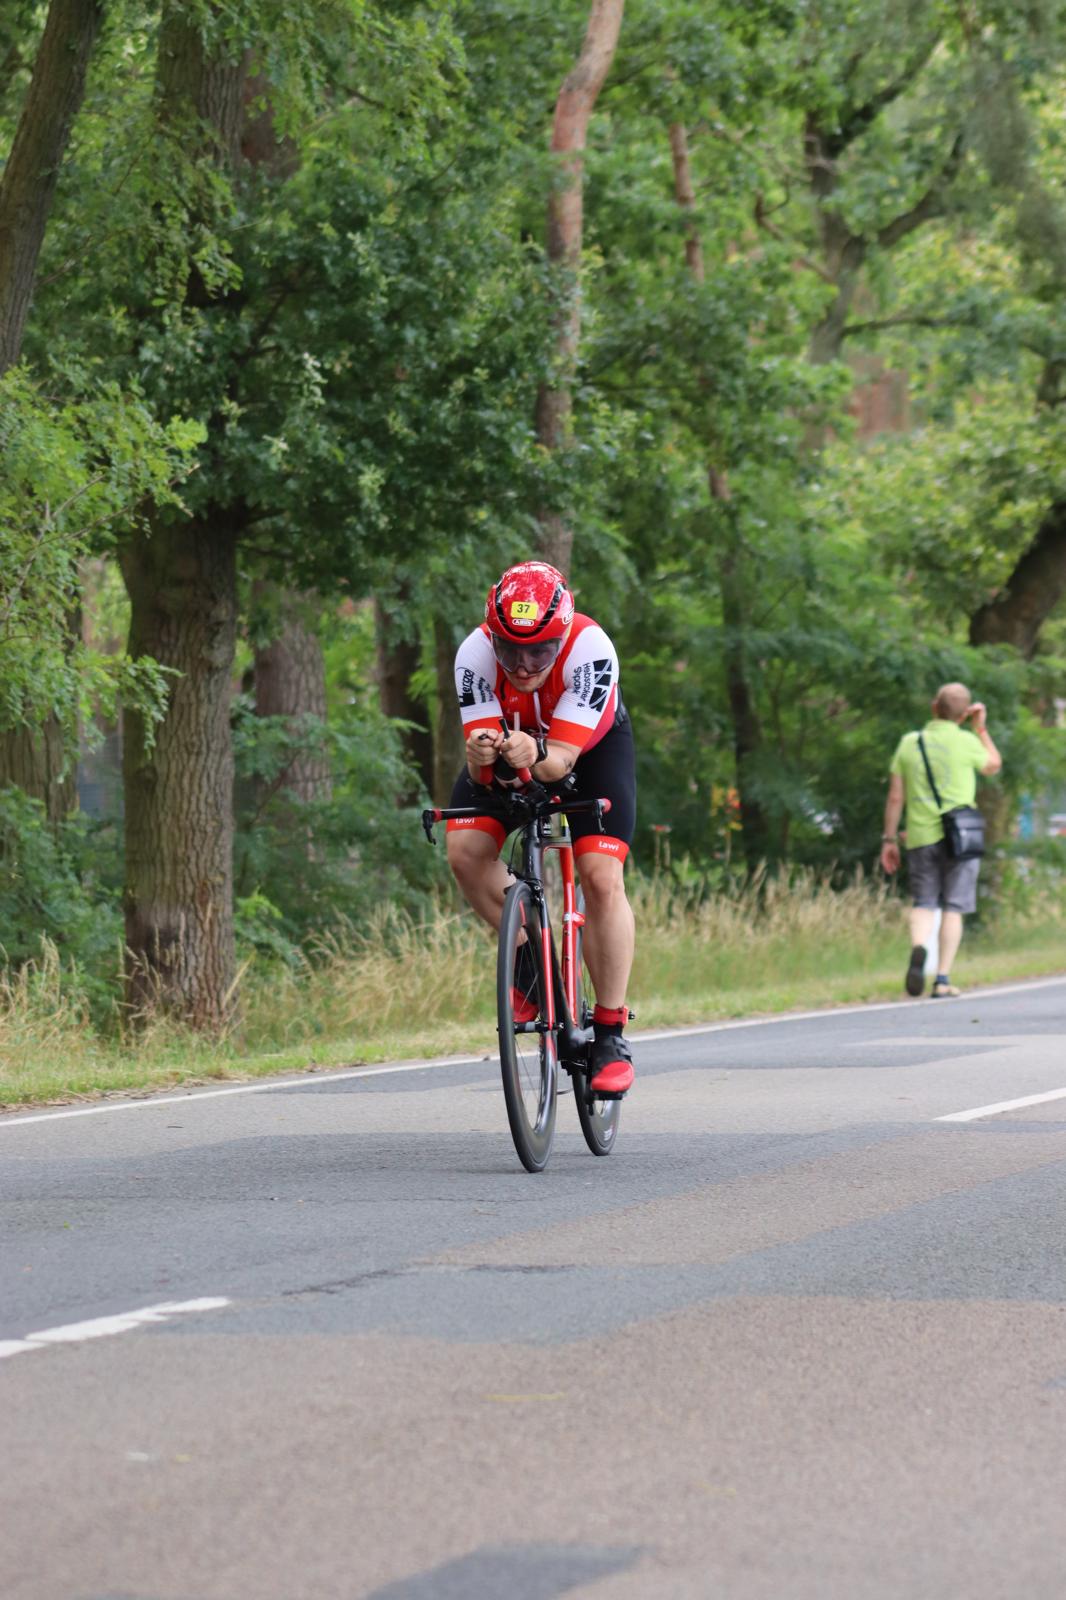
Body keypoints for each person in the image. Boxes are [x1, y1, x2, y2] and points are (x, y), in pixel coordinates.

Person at [446, 561, 636, 1094]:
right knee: (463, 851)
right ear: (492, 636)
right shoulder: (474, 654)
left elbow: (560, 764)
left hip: (588, 753)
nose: (525, 665)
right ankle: (531, 961)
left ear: (563, 636)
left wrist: (535, 751)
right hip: (516, 748)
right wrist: (482, 755)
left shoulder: (591, 649)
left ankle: (609, 1031)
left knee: (601, 877)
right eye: (510, 650)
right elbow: (484, 772)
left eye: (540, 651)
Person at [880, 682, 1002, 998]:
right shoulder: (965, 742)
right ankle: (943, 978)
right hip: (962, 837)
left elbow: (895, 798)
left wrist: (889, 840)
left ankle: (920, 947)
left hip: (920, 836)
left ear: (935, 707)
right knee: (954, 906)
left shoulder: (910, 743)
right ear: (964, 714)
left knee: (924, 903)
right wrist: (981, 729)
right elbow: (993, 765)